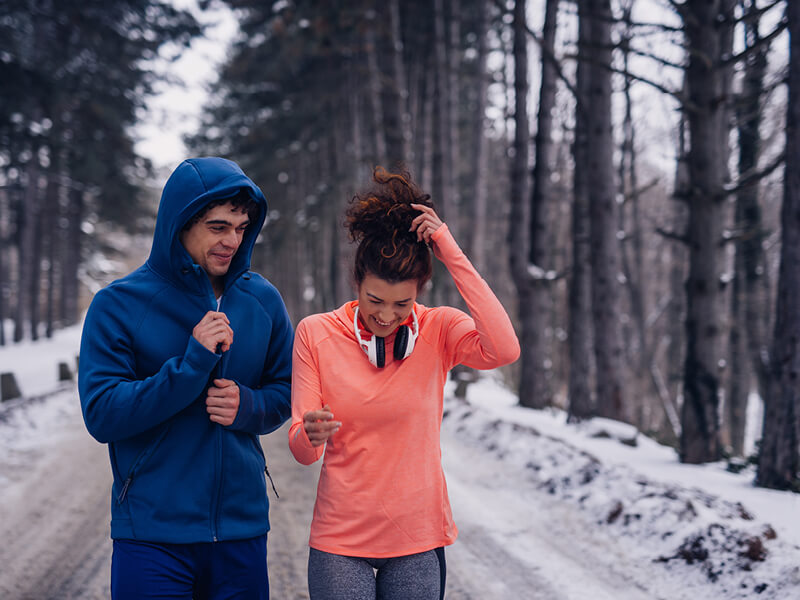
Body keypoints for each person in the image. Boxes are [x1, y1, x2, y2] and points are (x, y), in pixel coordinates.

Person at [288, 166, 520, 600]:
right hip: (341, 542)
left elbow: (504, 350)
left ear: (419, 293)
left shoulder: (439, 329)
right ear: (357, 282)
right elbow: (302, 451)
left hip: (418, 539)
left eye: (402, 304)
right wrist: (310, 434)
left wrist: (449, 249)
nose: (386, 316)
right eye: (374, 300)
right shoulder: (315, 333)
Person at [78, 157, 293, 599]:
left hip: (241, 534)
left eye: (241, 227)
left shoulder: (263, 299)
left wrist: (249, 406)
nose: (233, 241)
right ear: (180, 223)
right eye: (218, 227)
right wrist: (191, 366)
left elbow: (287, 388)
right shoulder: (118, 304)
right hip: (152, 537)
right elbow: (102, 414)